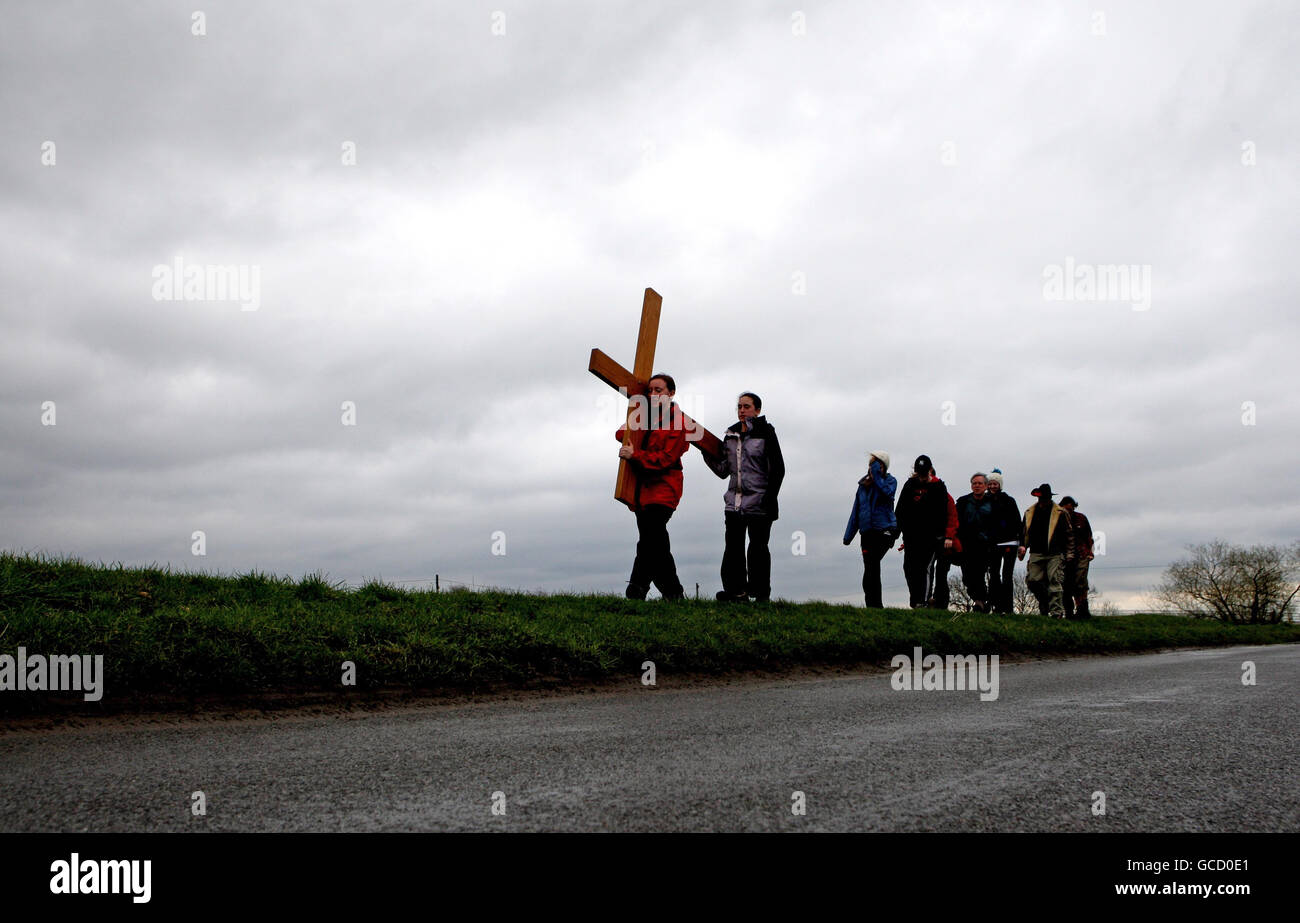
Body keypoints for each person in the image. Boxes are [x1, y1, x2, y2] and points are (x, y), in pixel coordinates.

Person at [706, 391, 785, 602]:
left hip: (760, 502)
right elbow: (723, 470)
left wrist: (770, 498)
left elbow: (778, 468)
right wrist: (707, 454)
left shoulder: (766, 433)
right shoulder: (730, 435)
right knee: (732, 548)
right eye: (739, 407)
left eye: (747, 406)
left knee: (758, 549)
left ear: (757, 410)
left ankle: (760, 594)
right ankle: (735, 591)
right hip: (734, 503)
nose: (742, 410)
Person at [615, 373, 688, 600]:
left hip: (664, 489)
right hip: (643, 491)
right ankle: (664, 592)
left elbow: (665, 458)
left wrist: (635, 454)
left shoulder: (678, 422)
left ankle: (647, 590)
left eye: (659, 390)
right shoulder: (644, 417)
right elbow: (621, 433)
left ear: (671, 393)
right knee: (652, 542)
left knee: (651, 539)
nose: (653, 394)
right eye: (650, 390)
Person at [893, 455, 951, 608]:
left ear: (930, 471)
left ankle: (922, 601)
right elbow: (900, 510)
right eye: (920, 474)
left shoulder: (939, 487)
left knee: (924, 568)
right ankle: (916, 598)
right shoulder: (910, 485)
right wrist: (897, 532)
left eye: (925, 474)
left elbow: (944, 513)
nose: (923, 477)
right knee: (909, 568)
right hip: (912, 536)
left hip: (931, 538)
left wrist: (942, 535)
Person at [843, 451, 898, 608]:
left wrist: (877, 478)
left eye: (879, 465)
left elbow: (888, 494)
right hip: (866, 533)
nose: (875, 468)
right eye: (873, 465)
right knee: (870, 567)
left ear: (884, 467)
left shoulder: (890, 481)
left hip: (884, 531)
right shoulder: (862, 487)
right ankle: (872, 606)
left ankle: (876, 605)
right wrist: (848, 536)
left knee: (873, 563)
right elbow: (856, 512)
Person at [1017, 483, 1075, 617]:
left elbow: (1069, 534)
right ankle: (1044, 601)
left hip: (1055, 552)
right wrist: (1022, 545)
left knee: (1055, 581)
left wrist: (1069, 553)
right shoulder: (1029, 512)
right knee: (1032, 581)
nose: (1042, 501)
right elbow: (1023, 532)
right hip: (1036, 552)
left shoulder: (1060, 513)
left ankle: (1056, 612)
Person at [955, 473, 1000, 612]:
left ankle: (980, 602)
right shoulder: (963, 502)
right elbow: (956, 521)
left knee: (979, 573)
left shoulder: (993, 502)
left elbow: (998, 522)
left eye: (980, 483)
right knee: (967, 576)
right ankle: (979, 599)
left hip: (985, 545)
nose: (977, 486)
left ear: (986, 486)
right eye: (974, 483)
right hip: (966, 544)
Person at [924, 468, 960, 609]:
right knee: (928, 570)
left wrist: (949, 536)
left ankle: (941, 602)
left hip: (944, 541)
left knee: (941, 571)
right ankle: (926, 600)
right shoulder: (920, 495)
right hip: (928, 540)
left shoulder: (945, 496)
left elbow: (953, 516)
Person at [986, 469, 1021, 613]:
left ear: (1000, 485)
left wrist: (1019, 540)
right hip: (992, 543)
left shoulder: (1009, 500)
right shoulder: (985, 500)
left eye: (995, 484)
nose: (993, 486)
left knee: (1007, 575)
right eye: (991, 484)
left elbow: (1017, 521)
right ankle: (995, 605)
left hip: (1009, 542)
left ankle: (1007, 606)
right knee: (993, 574)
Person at [1060, 496, 1094, 618]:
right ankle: (1068, 611)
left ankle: (1082, 609)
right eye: (1066, 508)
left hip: (1082, 554)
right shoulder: (1059, 519)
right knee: (1066, 584)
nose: (1069, 511)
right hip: (1065, 556)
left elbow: (1089, 536)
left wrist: (1090, 552)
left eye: (1071, 508)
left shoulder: (1081, 518)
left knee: (1081, 582)